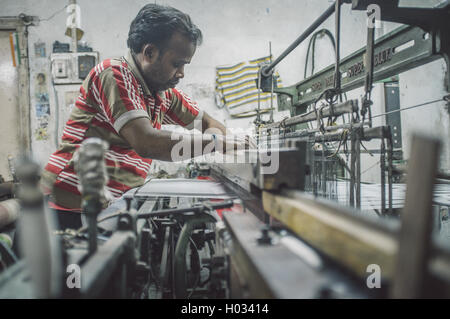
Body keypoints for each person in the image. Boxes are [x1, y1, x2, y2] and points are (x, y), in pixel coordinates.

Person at [41, 4, 250, 228]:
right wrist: (218, 144)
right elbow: (147, 142)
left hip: (111, 203)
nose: (181, 73)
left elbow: (207, 122)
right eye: (177, 64)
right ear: (149, 52)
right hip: (67, 207)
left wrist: (235, 155)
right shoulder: (113, 74)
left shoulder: (162, 92)